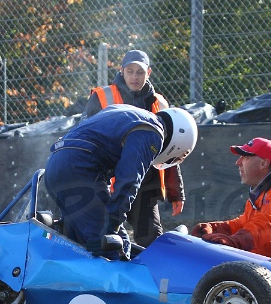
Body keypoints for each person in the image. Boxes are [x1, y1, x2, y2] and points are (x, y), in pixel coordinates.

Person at [44, 103, 198, 260]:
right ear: (179, 143)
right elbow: (129, 181)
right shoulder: (152, 132)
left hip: (55, 166)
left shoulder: (131, 114)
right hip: (79, 169)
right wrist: (111, 226)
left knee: (76, 243)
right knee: (114, 246)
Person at [82, 49, 187, 247]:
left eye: (139, 72)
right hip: (108, 182)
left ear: (149, 73)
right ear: (121, 71)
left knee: (151, 241)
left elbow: (170, 149)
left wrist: (176, 192)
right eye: (130, 71)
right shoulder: (102, 97)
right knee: (104, 239)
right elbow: (86, 136)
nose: (134, 77)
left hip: (144, 183)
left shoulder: (159, 103)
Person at [190, 137, 271, 270]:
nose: (237, 162)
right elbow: (243, 223)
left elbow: (266, 226)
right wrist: (214, 228)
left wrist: (234, 241)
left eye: (245, 157)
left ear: (263, 163)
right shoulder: (264, 190)